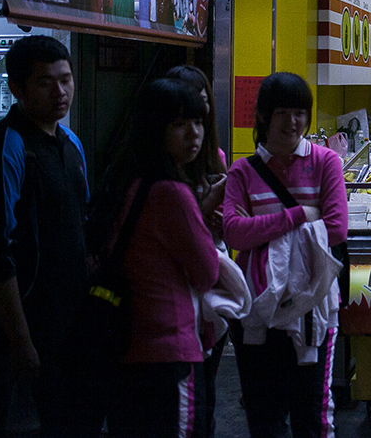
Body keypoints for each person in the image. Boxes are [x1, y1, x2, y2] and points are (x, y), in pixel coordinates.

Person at [0, 36, 96, 437]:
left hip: (71, 321)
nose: (60, 92)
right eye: (45, 83)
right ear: (17, 89)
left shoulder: (69, 143)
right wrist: (20, 341)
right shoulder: (5, 148)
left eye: (66, 79)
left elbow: (79, 224)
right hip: (27, 327)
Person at [223, 72, 347, 438]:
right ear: (263, 116)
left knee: (312, 414)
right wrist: (299, 216)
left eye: (300, 113)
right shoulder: (242, 172)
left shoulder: (325, 163)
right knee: (264, 415)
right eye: (282, 113)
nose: (293, 122)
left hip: (313, 308)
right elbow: (234, 232)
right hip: (257, 310)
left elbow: (337, 227)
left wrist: (262, 225)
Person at [97, 79, 220, 438]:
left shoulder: (128, 182)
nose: (194, 134)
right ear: (155, 128)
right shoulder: (172, 194)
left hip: (125, 350)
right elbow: (207, 272)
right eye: (179, 124)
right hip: (170, 353)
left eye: (198, 122)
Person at [166, 64, 228, 438]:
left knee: (204, 395)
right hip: (177, 306)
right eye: (183, 118)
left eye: (202, 109)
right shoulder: (161, 183)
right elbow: (187, 236)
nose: (195, 127)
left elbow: (226, 225)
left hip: (212, 299)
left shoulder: (214, 156)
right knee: (186, 405)